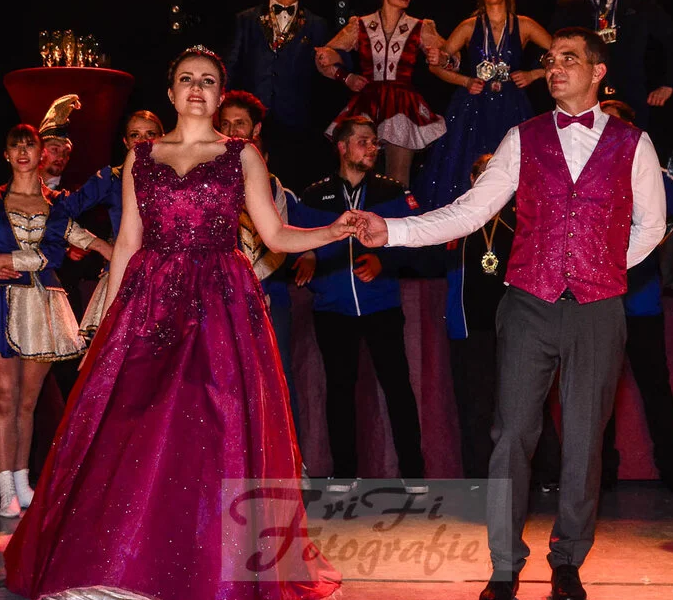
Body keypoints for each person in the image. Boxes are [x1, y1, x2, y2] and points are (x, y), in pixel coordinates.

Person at [4, 46, 346, 600]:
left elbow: (274, 235)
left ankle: (204, 573)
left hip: (220, 302)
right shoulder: (142, 155)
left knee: (213, 430)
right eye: (186, 79)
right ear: (170, 93)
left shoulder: (241, 155)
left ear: (220, 93)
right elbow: (128, 243)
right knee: (131, 428)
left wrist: (333, 231)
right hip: (151, 300)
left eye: (208, 81)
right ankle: (115, 565)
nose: (196, 88)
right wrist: (106, 324)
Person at [355, 28, 667, 600]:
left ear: (598, 72)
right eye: (550, 59)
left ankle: (568, 561)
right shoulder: (522, 137)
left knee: (584, 443)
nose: (555, 67)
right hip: (527, 303)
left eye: (569, 58)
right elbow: (470, 211)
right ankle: (503, 567)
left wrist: (599, 267)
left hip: (598, 309)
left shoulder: (634, 142)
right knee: (510, 437)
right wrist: (393, 231)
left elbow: (652, 226)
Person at [0, 124, 110, 517]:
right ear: (6, 154)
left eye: (30, 146)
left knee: (28, 402)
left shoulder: (57, 203)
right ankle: (5, 487)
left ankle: (22, 481)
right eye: (16, 146)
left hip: (43, 304)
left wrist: (6, 258)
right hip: (1, 305)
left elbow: (58, 251)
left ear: (41, 154)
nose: (23, 152)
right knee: (6, 399)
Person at [290, 115, 427, 494]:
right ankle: (345, 474)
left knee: (398, 388)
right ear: (342, 146)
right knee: (339, 390)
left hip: (381, 305)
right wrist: (308, 256)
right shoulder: (315, 195)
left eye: (374, 142)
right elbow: (295, 236)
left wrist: (386, 262)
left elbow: (416, 238)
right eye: (364, 141)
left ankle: (414, 475)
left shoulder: (390, 191)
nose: (373, 148)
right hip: (333, 310)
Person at [596, 100, 673, 493]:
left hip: (641, 301)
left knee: (655, 387)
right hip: (598, 302)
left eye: (615, 125)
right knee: (598, 391)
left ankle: (672, 469)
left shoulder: (653, 173)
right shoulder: (584, 175)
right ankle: (601, 472)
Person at [414, 0, 551, 211]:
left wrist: (534, 74)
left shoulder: (524, 25)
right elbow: (436, 66)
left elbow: (559, 53)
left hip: (511, 105)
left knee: (514, 164)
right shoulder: (469, 26)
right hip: (473, 108)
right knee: (465, 165)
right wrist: (465, 81)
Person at [217, 91, 301, 440]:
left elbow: (278, 243)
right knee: (223, 379)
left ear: (256, 130)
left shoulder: (271, 184)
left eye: (240, 124)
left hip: (266, 292)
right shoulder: (206, 177)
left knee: (277, 376)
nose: (231, 131)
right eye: (225, 123)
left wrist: (252, 283)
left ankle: (290, 457)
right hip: (219, 296)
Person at [315, 0, 448, 187]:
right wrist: (346, 77)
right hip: (368, 102)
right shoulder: (361, 25)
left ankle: (396, 210)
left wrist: (443, 59)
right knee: (360, 172)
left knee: (398, 179)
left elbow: (453, 56)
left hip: (403, 105)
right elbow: (323, 57)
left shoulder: (419, 27)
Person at [53, 110, 165, 340]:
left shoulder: (180, 178)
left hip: (169, 276)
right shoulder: (112, 179)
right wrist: (97, 244)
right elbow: (57, 213)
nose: (142, 141)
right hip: (123, 274)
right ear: (126, 142)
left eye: (150, 134)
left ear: (162, 138)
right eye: (135, 135)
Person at [226, 0, 330, 193]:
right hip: (254, 116)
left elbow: (323, 77)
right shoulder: (246, 19)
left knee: (292, 182)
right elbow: (233, 63)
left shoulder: (316, 24)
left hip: (297, 121)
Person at [444, 153, 516, 480]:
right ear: (473, 181)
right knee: (474, 406)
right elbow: (426, 260)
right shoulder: (457, 219)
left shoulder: (519, 220)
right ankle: (477, 476)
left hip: (513, 330)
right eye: (484, 174)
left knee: (519, 406)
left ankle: (537, 475)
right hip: (469, 330)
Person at [550, 0, 673, 129]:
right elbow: (551, 48)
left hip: (633, 100)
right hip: (583, 100)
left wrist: (670, 84)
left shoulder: (641, 2)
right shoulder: (569, 5)